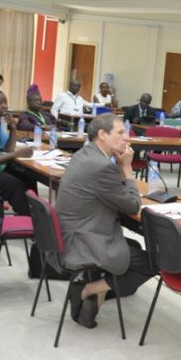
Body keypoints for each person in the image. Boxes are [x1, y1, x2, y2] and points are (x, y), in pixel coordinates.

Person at [56, 113, 154, 328]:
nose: (126, 138)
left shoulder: (86, 154)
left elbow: (109, 190)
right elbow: (131, 205)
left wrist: (119, 170)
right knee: (153, 263)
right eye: (120, 133)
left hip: (71, 232)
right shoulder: (102, 166)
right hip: (84, 240)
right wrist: (127, 168)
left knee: (133, 245)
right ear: (102, 134)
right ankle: (89, 289)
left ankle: (95, 288)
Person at [0, 89, 36, 215]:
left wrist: (13, 128)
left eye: (6, 102)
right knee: (13, 184)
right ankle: (28, 218)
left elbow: (8, 149)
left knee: (28, 175)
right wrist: (17, 154)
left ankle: (35, 212)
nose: (4, 105)